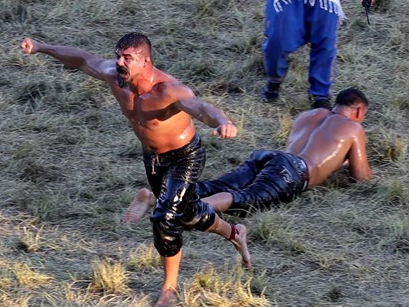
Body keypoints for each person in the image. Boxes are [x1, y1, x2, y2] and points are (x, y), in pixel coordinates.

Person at [20, 32, 250, 307]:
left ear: (146, 61)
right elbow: (81, 59)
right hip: (152, 158)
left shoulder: (168, 90)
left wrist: (223, 121)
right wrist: (41, 47)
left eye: (127, 58)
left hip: (184, 157)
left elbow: (200, 107)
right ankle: (234, 232)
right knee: (187, 216)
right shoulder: (116, 77)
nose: (119, 62)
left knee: (165, 219)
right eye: (118, 56)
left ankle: (169, 289)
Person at [123, 88, 371, 221]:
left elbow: (297, 151)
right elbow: (361, 176)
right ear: (358, 111)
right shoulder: (353, 128)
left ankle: (157, 197)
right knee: (243, 198)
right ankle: (185, 211)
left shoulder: (309, 115)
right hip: (294, 170)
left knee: (215, 184)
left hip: (271, 157)